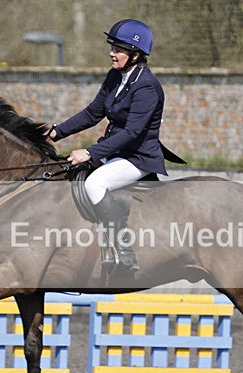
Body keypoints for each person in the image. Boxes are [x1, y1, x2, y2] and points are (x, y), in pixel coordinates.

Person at [49, 19, 171, 274]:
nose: (111, 53)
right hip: (115, 153)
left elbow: (132, 132)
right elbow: (93, 113)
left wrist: (90, 152)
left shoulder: (147, 86)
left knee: (95, 183)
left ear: (135, 54)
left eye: (118, 49)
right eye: (112, 48)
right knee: (67, 173)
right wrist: (56, 131)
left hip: (137, 158)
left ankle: (124, 252)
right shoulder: (116, 76)